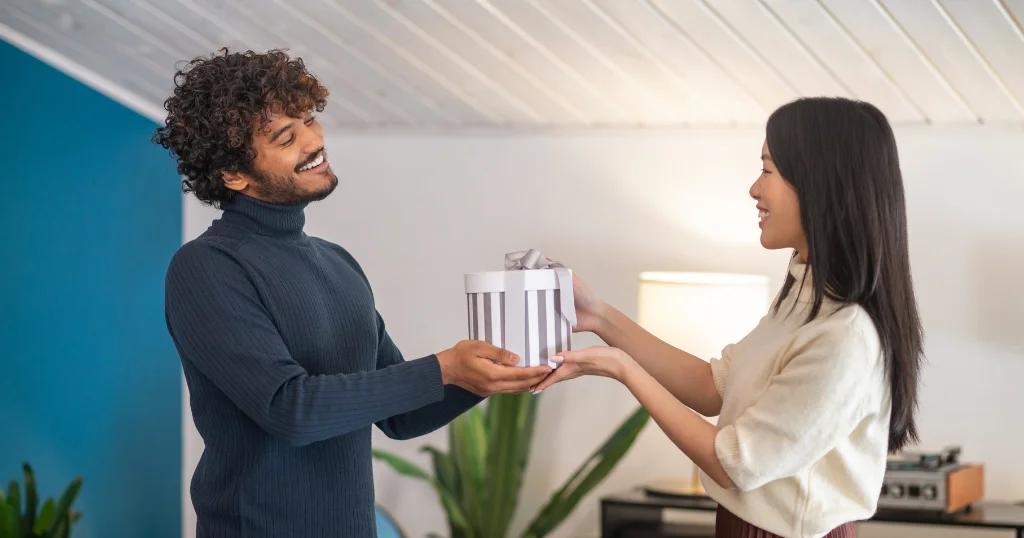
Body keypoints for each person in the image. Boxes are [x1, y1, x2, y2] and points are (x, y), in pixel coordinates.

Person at [154, 49, 551, 537]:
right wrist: (444, 367)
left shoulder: (336, 262)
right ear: (234, 175)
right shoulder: (207, 268)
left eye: (309, 119)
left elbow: (402, 414)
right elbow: (289, 409)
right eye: (286, 136)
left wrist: (502, 364)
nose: (314, 140)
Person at [533, 97, 923, 538]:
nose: (754, 190)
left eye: (768, 170)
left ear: (818, 184)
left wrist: (621, 368)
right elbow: (710, 387)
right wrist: (600, 316)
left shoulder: (845, 335)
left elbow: (732, 464)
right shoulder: (803, 297)